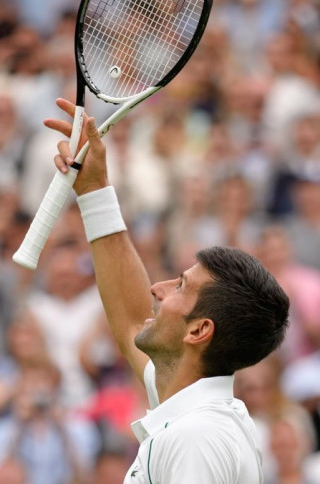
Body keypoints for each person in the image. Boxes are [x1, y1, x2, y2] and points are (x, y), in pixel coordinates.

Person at [44, 97, 290, 482]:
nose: (156, 288)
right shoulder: (192, 405)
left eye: (180, 286)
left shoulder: (196, 438)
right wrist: (93, 189)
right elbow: (129, 321)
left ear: (198, 331)